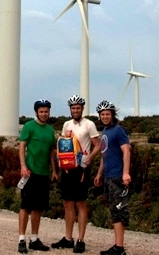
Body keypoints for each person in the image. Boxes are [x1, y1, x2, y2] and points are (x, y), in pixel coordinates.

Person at [52, 95, 100, 253]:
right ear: (70, 109)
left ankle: (81, 239)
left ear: (82, 109)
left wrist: (90, 159)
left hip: (81, 169)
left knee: (80, 203)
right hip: (67, 168)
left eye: (78, 108)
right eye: (73, 108)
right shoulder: (66, 124)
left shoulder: (89, 124)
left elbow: (97, 145)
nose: (75, 110)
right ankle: (68, 238)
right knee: (67, 202)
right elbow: (65, 143)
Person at [17, 99, 58, 253]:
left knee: (38, 208)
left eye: (46, 111)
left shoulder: (50, 130)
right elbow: (22, 146)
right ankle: (21, 239)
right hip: (30, 172)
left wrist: (54, 170)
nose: (44, 114)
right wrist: (23, 166)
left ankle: (34, 238)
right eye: (41, 111)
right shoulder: (29, 126)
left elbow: (51, 152)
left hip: (44, 173)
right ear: (36, 112)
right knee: (25, 206)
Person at [93, 100, 131, 255]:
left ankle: (119, 248)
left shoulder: (118, 130)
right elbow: (104, 155)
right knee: (113, 211)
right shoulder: (105, 132)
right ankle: (117, 246)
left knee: (119, 211)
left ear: (113, 115)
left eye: (108, 114)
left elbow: (127, 151)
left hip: (118, 176)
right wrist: (99, 173)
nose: (105, 116)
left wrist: (126, 173)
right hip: (108, 176)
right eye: (102, 114)